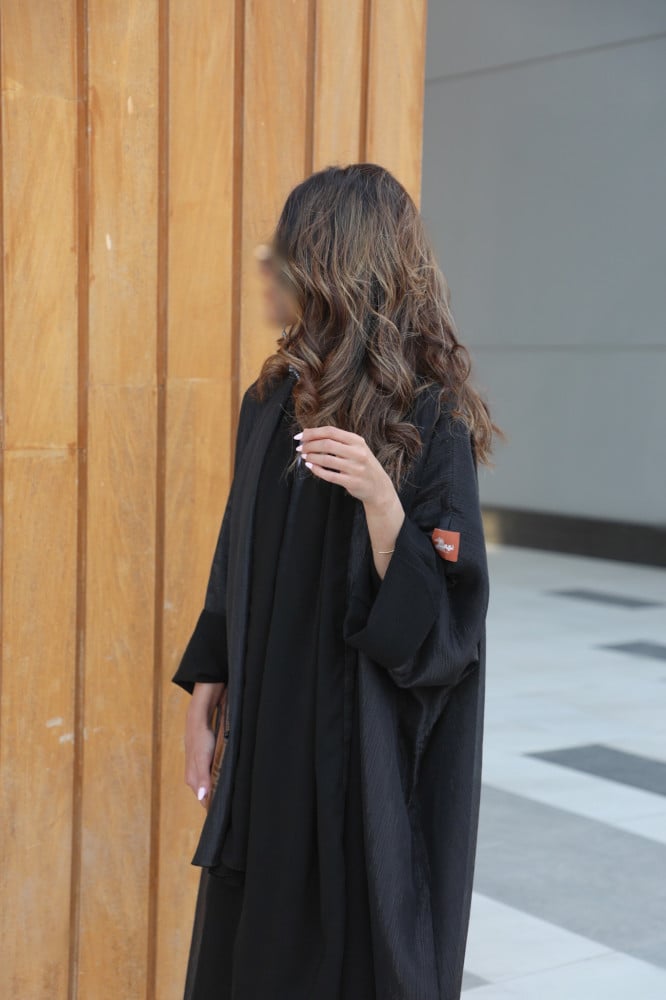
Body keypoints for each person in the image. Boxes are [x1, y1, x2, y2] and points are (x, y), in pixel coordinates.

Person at [171, 163, 502, 999]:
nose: (272, 266)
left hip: (365, 753)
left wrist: (382, 502)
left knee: (350, 952)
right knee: (256, 950)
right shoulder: (271, 400)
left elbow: (448, 631)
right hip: (271, 734)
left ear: (338, 264)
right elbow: (235, 551)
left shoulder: (429, 417)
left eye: (291, 250)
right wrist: (206, 692)